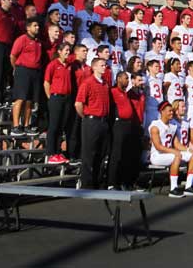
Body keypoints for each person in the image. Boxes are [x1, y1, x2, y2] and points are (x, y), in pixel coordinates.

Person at [75, 57, 111, 189]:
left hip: (103, 121)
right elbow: (78, 103)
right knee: (89, 153)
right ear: (94, 67)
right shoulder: (88, 82)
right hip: (92, 120)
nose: (104, 67)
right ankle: (87, 184)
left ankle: (98, 182)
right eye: (101, 65)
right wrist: (85, 116)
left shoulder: (105, 83)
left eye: (105, 65)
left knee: (101, 153)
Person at [109, 71, 145, 190]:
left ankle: (126, 182)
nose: (127, 81)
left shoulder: (127, 93)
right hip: (119, 124)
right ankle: (112, 183)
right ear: (119, 79)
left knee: (128, 155)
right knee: (117, 154)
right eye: (125, 78)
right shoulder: (114, 91)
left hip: (131, 125)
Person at [9, 18, 42, 136]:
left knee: (30, 100)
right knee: (20, 98)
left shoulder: (38, 42)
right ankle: (16, 125)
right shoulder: (22, 39)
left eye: (38, 25)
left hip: (35, 72)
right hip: (23, 71)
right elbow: (13, 55)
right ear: (28, 28)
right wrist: (16, 69)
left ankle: (26, 124)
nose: (37, 28)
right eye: (34, 25)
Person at [148, 102, 189, 198]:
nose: (172, 113)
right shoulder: (155, 125)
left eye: (172, 111)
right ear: (162, 112)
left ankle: (190, 185)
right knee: (176, 156)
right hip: (157, 155)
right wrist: (174, 151)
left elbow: (176, 144)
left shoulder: (173, 125)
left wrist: (188, 150)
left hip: (168, 154)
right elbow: (158, 146)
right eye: (169, 111)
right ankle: (173, 188)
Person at [44, 43, 73, 164]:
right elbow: (46, 82)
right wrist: (50, 97)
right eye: (66, 50)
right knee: (54, 126)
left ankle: (58, 151)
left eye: (68, 50)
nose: (67, 52)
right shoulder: (53, 64)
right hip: (56, 97)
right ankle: (51, 153)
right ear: (60, 51)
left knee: (61, 127)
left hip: (67, 98)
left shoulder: (69, 66)